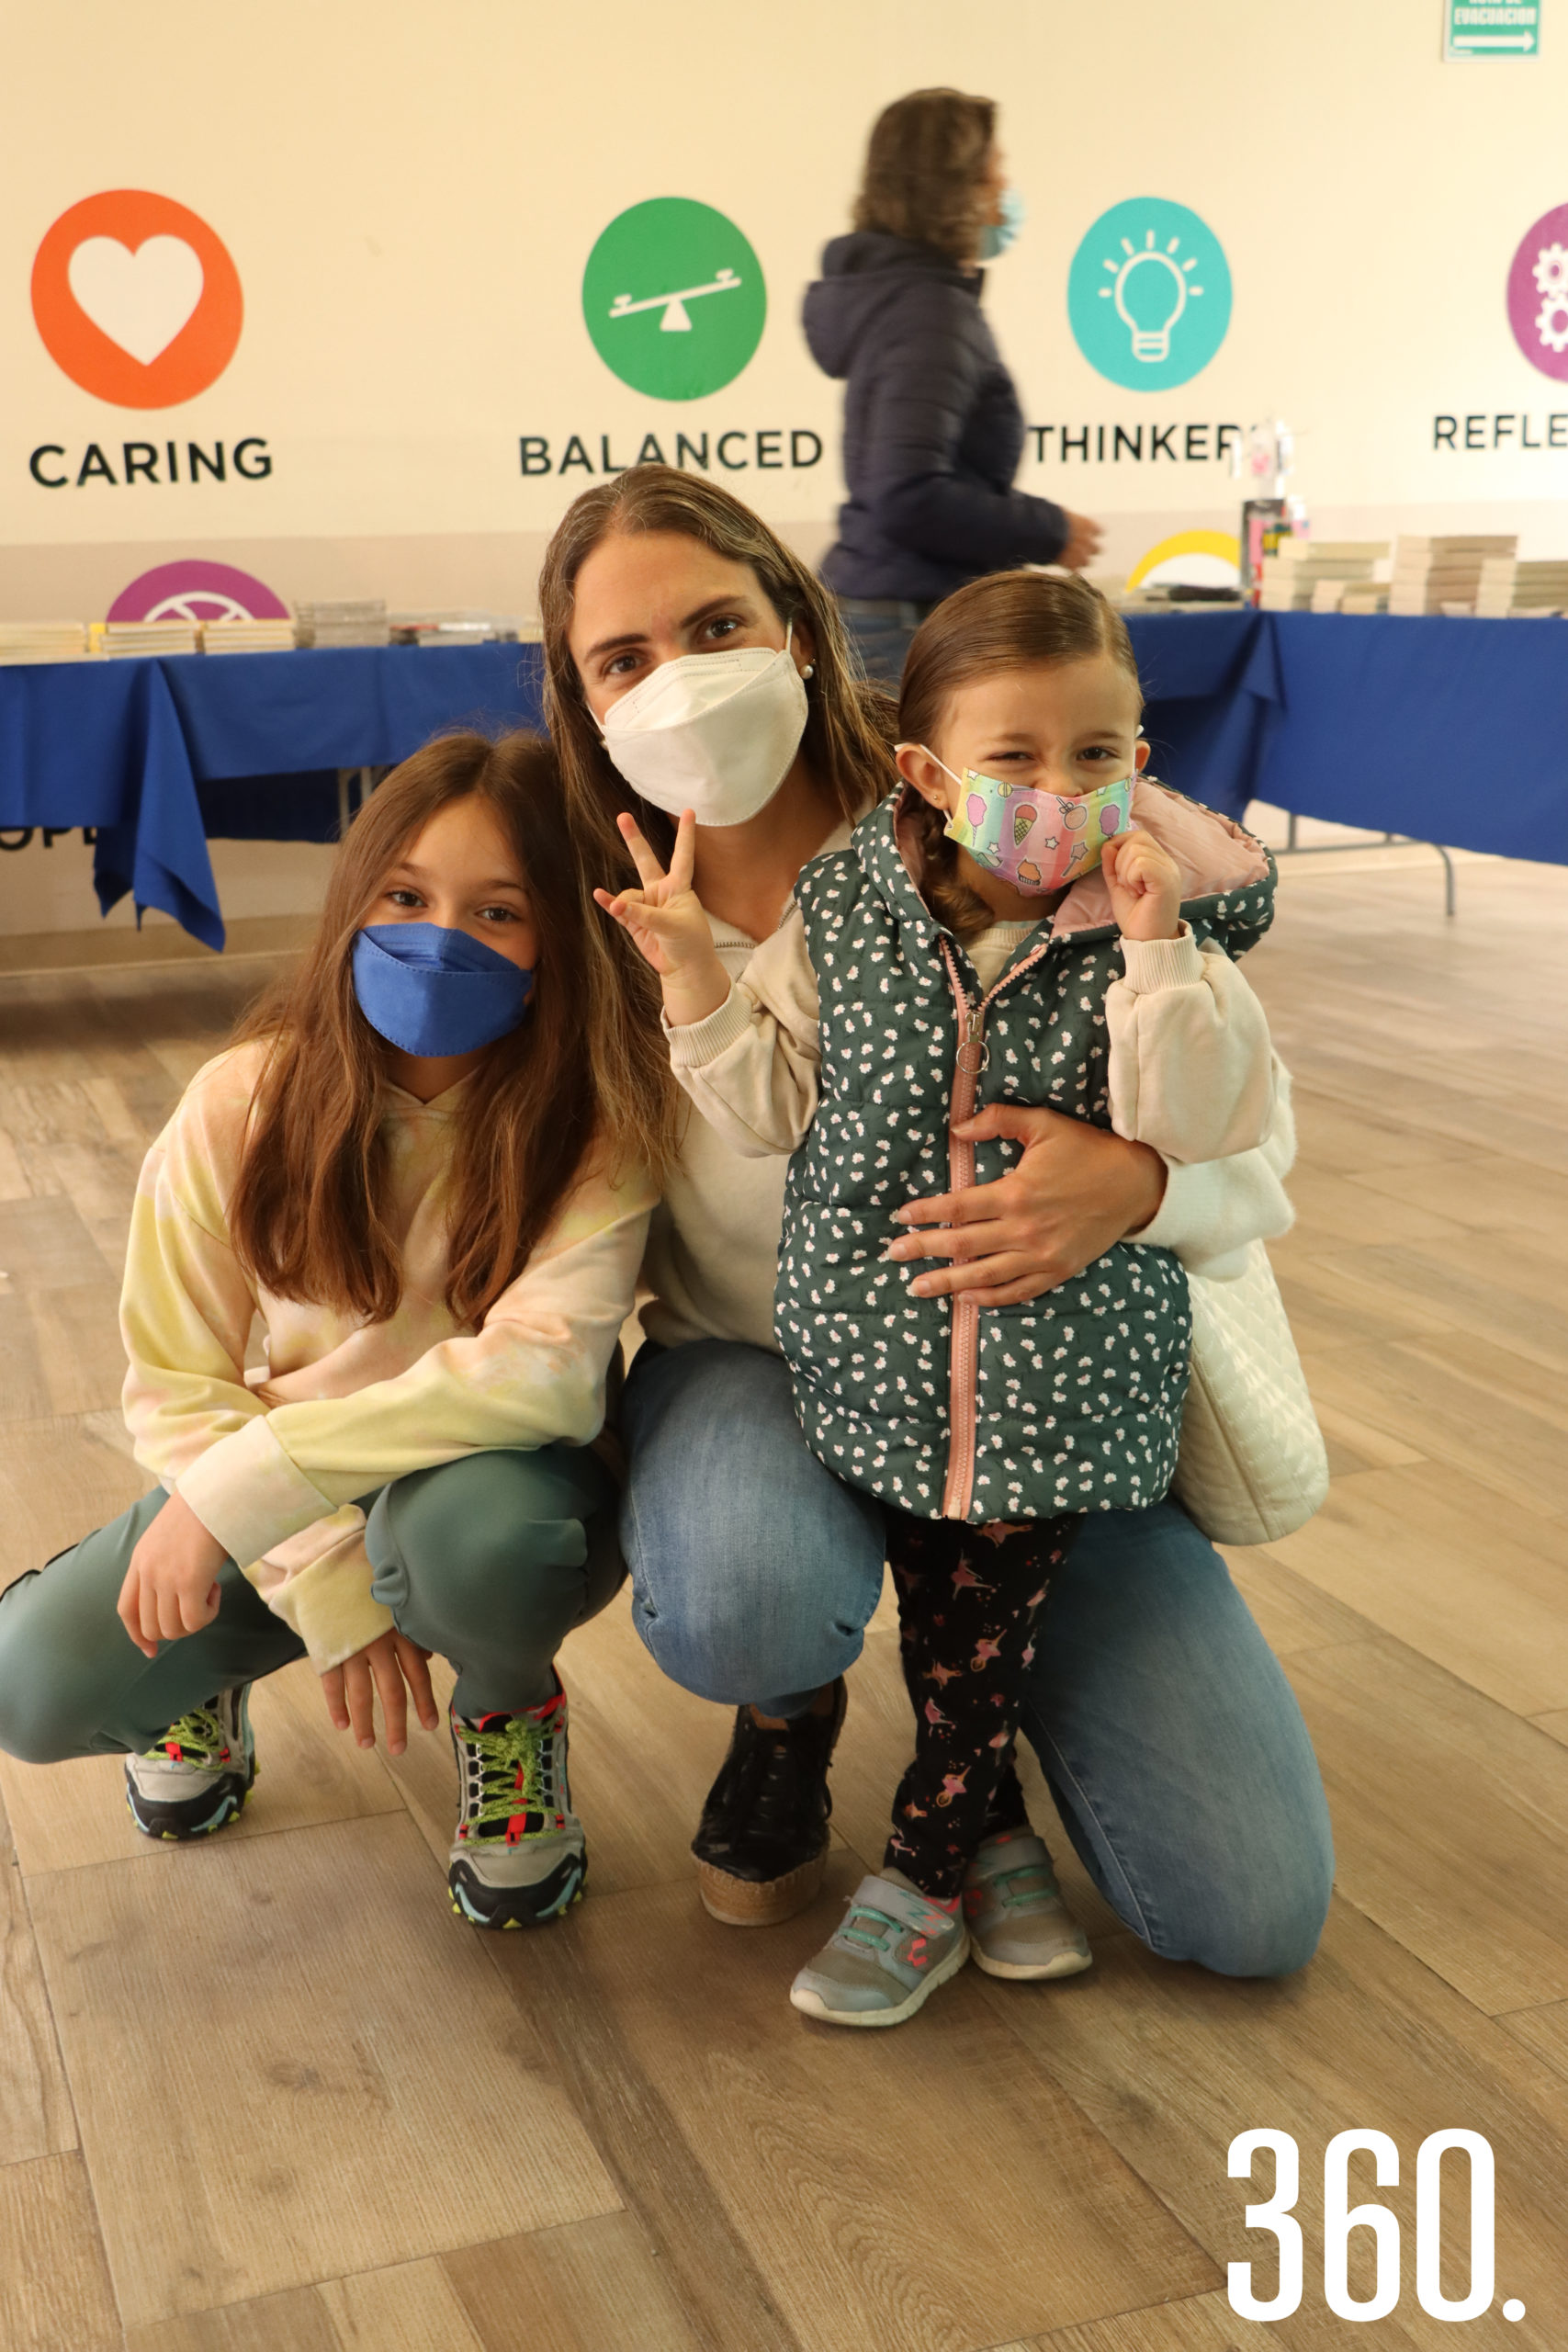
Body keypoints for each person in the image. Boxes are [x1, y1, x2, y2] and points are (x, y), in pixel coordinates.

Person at [540, 465, 1333, 1982]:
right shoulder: (606, 908)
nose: (682, 683)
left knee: (1244, 1908)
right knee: (746, 1597)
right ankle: (802, 1712)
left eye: (717, 622)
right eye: (622, 660)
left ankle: (976, 1757)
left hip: (1041, 1388)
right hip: (764, 1369)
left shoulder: (1043, 834)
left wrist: (1139, 1184)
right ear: (578, 700)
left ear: (799, 624)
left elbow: (1256, 1135)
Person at [0, 734, 674, 1931]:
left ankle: (509, 1709)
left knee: (484, 1546)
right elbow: (174, 1379)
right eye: (404, 896)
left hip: (483, 1489)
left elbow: (548, 1380)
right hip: (277, 1500)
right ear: (351, 899)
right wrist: (309, 1571)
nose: (439, 936)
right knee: (30, 1687)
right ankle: (198, 1674)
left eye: (498, 911)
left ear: (557, 940)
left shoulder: (595, 1126)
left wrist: (244, 1490)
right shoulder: (238, 1104)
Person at [806, 86, 1102, 687]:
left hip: (890, 610)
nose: (1004, 194)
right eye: (994, 173)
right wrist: (1049, 530)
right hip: (905, 624)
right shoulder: (929, 314)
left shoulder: (906, 301)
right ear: (955, 190)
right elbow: (905, 493)